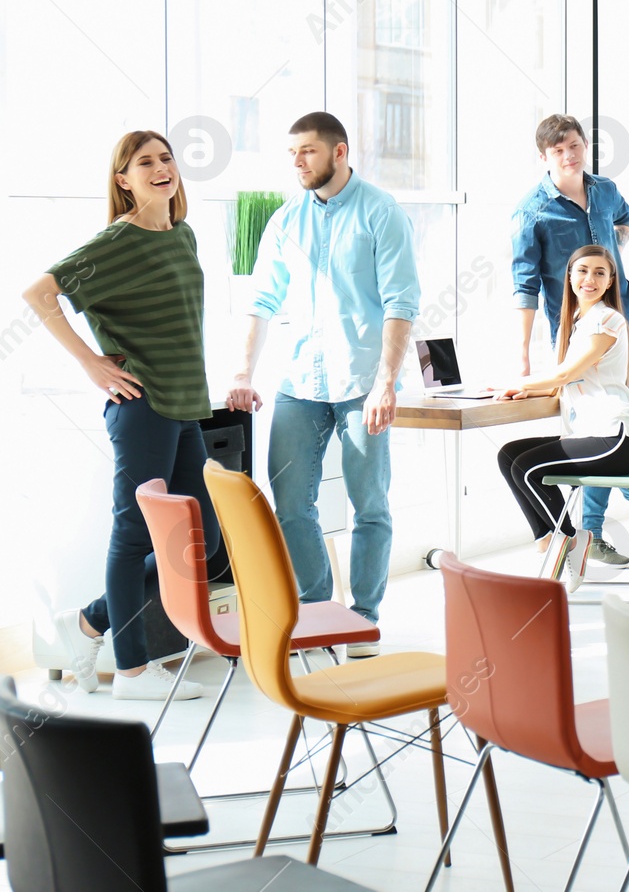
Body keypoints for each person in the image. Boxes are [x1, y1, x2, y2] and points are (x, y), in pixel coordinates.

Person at [23, 131, 229, 700]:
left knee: (201, 543)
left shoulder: (181, 235)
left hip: (187, 404)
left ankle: (90, 620)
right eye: (145, 163)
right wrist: (91, 363)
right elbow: (40, 293)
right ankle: (133, 674)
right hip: (143, 408)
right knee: (135, 536)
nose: (161, 168)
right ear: (124, 180)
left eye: (166, 158)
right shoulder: (117, 241)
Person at [226, 112, 420, 654]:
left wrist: (387, 382)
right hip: (298, 380)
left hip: (362, 381)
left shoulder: (381, 213)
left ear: (339, 152)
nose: (296, 162)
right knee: (289, 503)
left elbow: (401, 304)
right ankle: (316, 610)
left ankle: (362, 617)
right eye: (292, 153)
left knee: (370, 504)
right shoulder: (286, 220)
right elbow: (260, 300)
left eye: (307, 151)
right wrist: (241, 372)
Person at [512, 114, 629, 567]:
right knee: (588, 425)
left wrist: (613, 253)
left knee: (603, 420)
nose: (570, 154)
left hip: (619, 321)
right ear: (544, 157)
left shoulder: (605, 191)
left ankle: (593, 531)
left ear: (585, 146)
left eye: (575, 145)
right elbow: (525, 283)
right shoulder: (532, 210)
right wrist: (523, 353)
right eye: (558, 150)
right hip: (570, 331)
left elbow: (627, 219)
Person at [494, 246, 629, 592]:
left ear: (610, 282)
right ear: (570, 277)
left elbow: (564, 375)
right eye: (582, 271)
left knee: (527, 469)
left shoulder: (608, 319)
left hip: (616, 439)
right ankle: (556, 539)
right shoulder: (579, 324)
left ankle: (566, 540)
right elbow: (565, 383)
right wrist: (526, 391)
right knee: (509, 456)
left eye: (599, 273)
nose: (589, 279)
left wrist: (516, 383)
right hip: (592, 433)